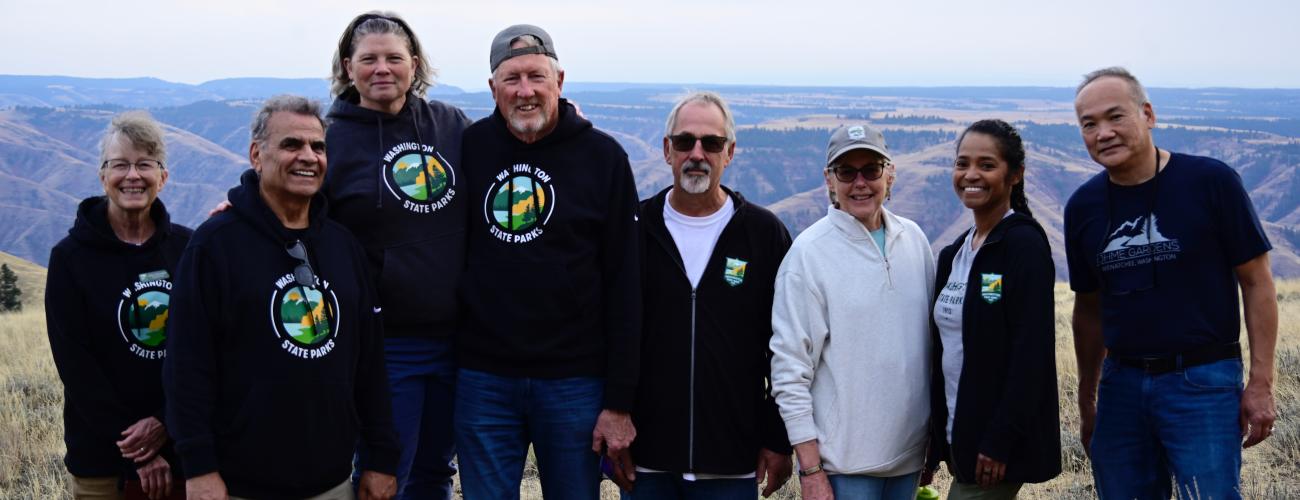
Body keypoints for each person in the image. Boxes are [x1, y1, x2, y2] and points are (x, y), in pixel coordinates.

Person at [164, 96, 399, 500]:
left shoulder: (343, 247)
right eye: (292, 144)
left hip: (333, 482)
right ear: (257, 154)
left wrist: (382, 457)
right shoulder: (215, 246)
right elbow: (187, 366)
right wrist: (199, 468)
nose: (308, 157)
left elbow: (370, 364)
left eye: (318, 147)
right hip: (240, 484)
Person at [1066, 67, 1279, 500]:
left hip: (1203, 379)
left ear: (1148, 114)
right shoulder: (1082, 207)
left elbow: (1257, 282)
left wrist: (1260, 382)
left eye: (1115, 117)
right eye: (1089, 124)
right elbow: (1088, 310)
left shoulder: (1210, 182)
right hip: (1121, 385)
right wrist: (1088, 400)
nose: (1103, 133)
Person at [454, 24, 642, 499]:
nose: (525, 91)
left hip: (575, 381)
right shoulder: (469, 149)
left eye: (536, 77)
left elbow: (626, 283)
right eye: (511, 79)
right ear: (493, 88)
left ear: (560, 81)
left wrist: (619, 402)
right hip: (483, 378)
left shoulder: (603, 157)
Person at [326, 11, 471, 499]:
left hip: (457, 338)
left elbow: (506, 162)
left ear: (415, 64)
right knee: (382, 474)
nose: (382, 68)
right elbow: (290, 201)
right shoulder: (332, 138)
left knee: (435, 471)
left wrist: (564, 126)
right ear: (349, 67)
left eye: (394, 57)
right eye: (369, 59)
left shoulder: (449, 124)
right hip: (385, 344)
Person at [626, 91, 793, 499]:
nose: (697, 153)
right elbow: (611, 333)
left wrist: (777, 436)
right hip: (648, 457)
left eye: (711, 143)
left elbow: (786, 344)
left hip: (733, 461)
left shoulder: (763, 234)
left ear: (730, 152)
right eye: (685, 142)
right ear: (667, 150)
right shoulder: (634, 228)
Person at [770, 123, 935, 500]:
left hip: (909, 462)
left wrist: (930, 445)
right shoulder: (808, 255)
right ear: (829, 180)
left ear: (889, 173)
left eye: (871, 170)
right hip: (843, 469)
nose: (860, 182)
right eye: (847, 172)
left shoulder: (915, 241)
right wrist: (810, 469)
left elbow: (926, 352)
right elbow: (790, 369)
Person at [46, 111, 190, 500]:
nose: (132, 176)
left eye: (145, 164)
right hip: (102, 460)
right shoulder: (70, 258)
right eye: (120, 165)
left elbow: (205, 351)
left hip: (183, 452)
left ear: (163, 177)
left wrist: (164, 421)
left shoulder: (188, 250)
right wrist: (138, 452)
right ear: (102, 176)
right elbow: (76, 366)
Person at [925, 119, 1060, 499]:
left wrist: (1000, 440)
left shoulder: (1023, 248)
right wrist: (936, 443)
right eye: (962, 163)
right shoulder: (955, 254)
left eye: (986, 165)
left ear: (1015, 174)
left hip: (994, 449)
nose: (971, 174)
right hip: (959, 437)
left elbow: (1030, 355)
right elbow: (944, 354)